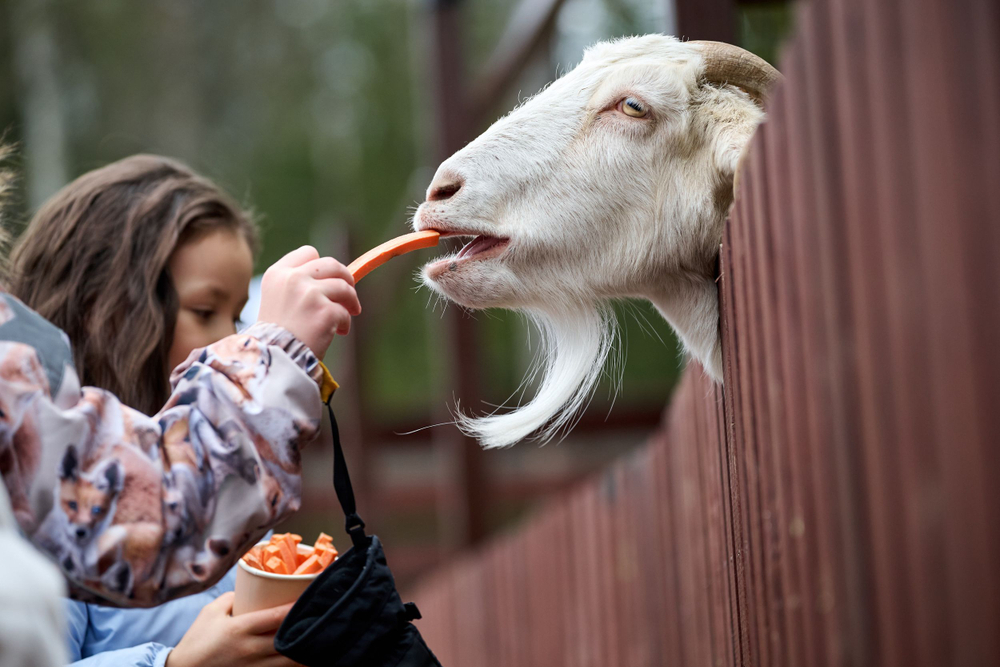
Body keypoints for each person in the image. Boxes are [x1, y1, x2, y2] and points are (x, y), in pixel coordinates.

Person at [0, 153, 361, 612]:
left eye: (235, 317)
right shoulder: (41, 527)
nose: (230, 340)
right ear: (104, 314)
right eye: (205, 312)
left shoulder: (235, 516)